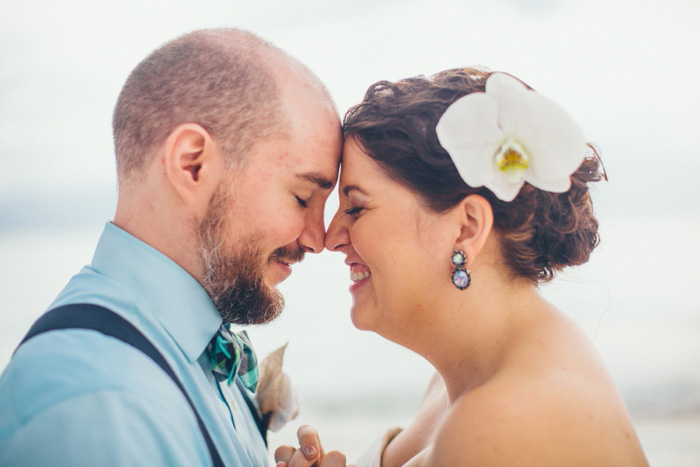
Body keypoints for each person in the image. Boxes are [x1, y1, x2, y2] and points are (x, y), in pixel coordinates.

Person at [0, 28, 341, 466]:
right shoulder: (101, 406)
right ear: (192, 165)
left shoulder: (183, 356)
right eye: (301, 197)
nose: (319, 238)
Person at [276, 68, 649, 466]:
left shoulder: (504, 426)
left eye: (356, 207)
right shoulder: (453, 382)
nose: (330, 237)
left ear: (466, 228)